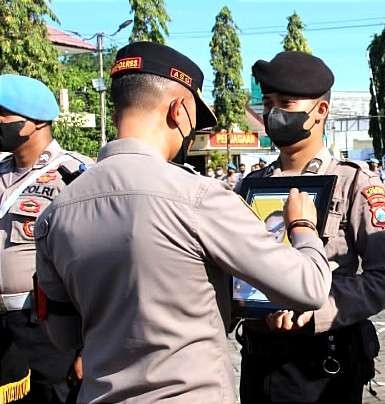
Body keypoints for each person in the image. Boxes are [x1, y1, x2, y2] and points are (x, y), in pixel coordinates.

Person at [34, 42, 333, 403]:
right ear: (179, 110)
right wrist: (302, 226)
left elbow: (64, 335)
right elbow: (310, 287)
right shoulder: (199, 199)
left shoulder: (56, 212)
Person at [238, 50, 385, 404]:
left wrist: (319, 310)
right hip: (259, 360)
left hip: (323, 365)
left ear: (321, 111)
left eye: (286, 102)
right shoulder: (249, 186)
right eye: (268, 103)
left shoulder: (353, 183)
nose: (274, 113)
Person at [0, 74, 92, 404]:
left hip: (46, 324)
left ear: (36, 120)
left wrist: (86, 348)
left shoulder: (76, 175)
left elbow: (92, 264)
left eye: (3, 114)